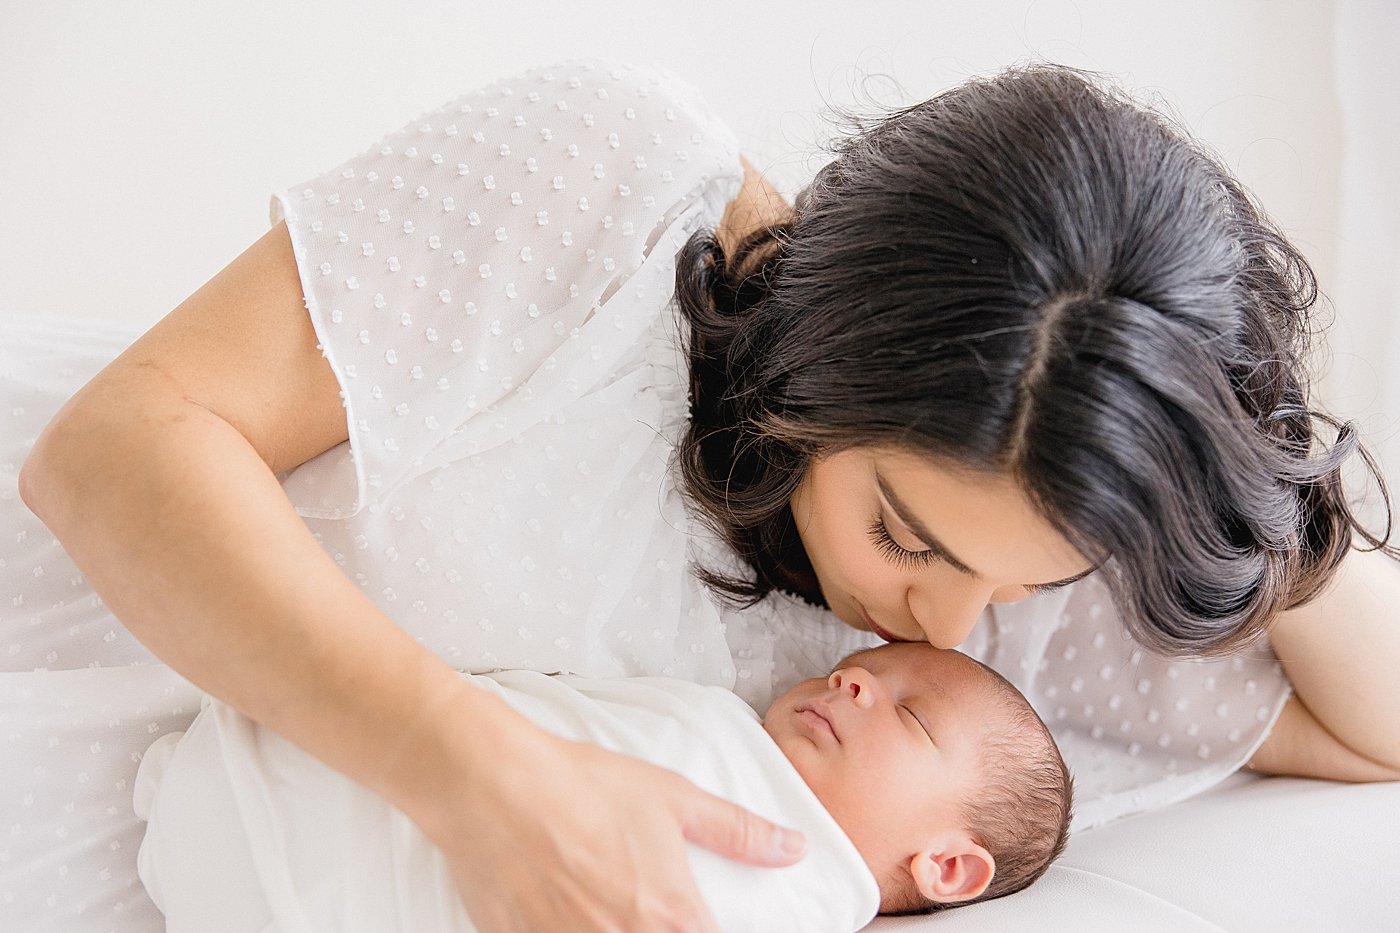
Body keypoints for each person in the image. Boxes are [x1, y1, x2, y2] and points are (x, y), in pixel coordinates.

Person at [6, 56, 1399, 932]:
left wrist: (1233, 469)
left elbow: (1379, 730)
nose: (954, 627)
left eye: (1023, 583)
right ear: (815, 365)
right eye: (902, 532)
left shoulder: (980, 626)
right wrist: (472, 773)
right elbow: (116, 449)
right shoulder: (611, 184)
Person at [134, 642, 1071, 931]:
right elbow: (542, 701)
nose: (852, 682)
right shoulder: (711, 721)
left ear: (948, 865)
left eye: (908, 715)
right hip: (281, 788)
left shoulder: (809, 906)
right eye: (846, 670)